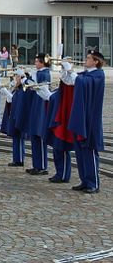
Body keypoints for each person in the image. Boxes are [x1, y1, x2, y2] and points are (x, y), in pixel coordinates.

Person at [66, 51, 105, 194]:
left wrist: (72, 72)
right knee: (80, 151)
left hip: (90, 119)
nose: (85, 60)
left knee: (89, 151)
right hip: (81, 117)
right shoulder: (86, 74)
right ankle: (84, 180)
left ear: (96, 61)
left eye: (88, 58)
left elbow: (83, 83)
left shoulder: (98, 74)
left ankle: (93, 182)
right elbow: (70, 82)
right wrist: (67, 70)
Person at [25, 54, 52, 175]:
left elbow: (43, 90)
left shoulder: (44, 73)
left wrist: (33, 79)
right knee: (34, 137)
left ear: (43, 62)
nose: (35, 63)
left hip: (41, 106)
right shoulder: (39, 73)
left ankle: (42, 166)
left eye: (37, 61)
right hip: (35, 105)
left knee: (39, 137)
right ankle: (36, 164)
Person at [2, 69, 29, 167]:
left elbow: (16, 100)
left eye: (16, 76)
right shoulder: (17, 88)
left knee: (19, 138)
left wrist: (7, 93)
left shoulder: (23, 88)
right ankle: (16, 158)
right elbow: (12, 100)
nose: (15, 78)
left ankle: (19, 159)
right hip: (14, 114)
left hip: (19, 115)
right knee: (15, 138)